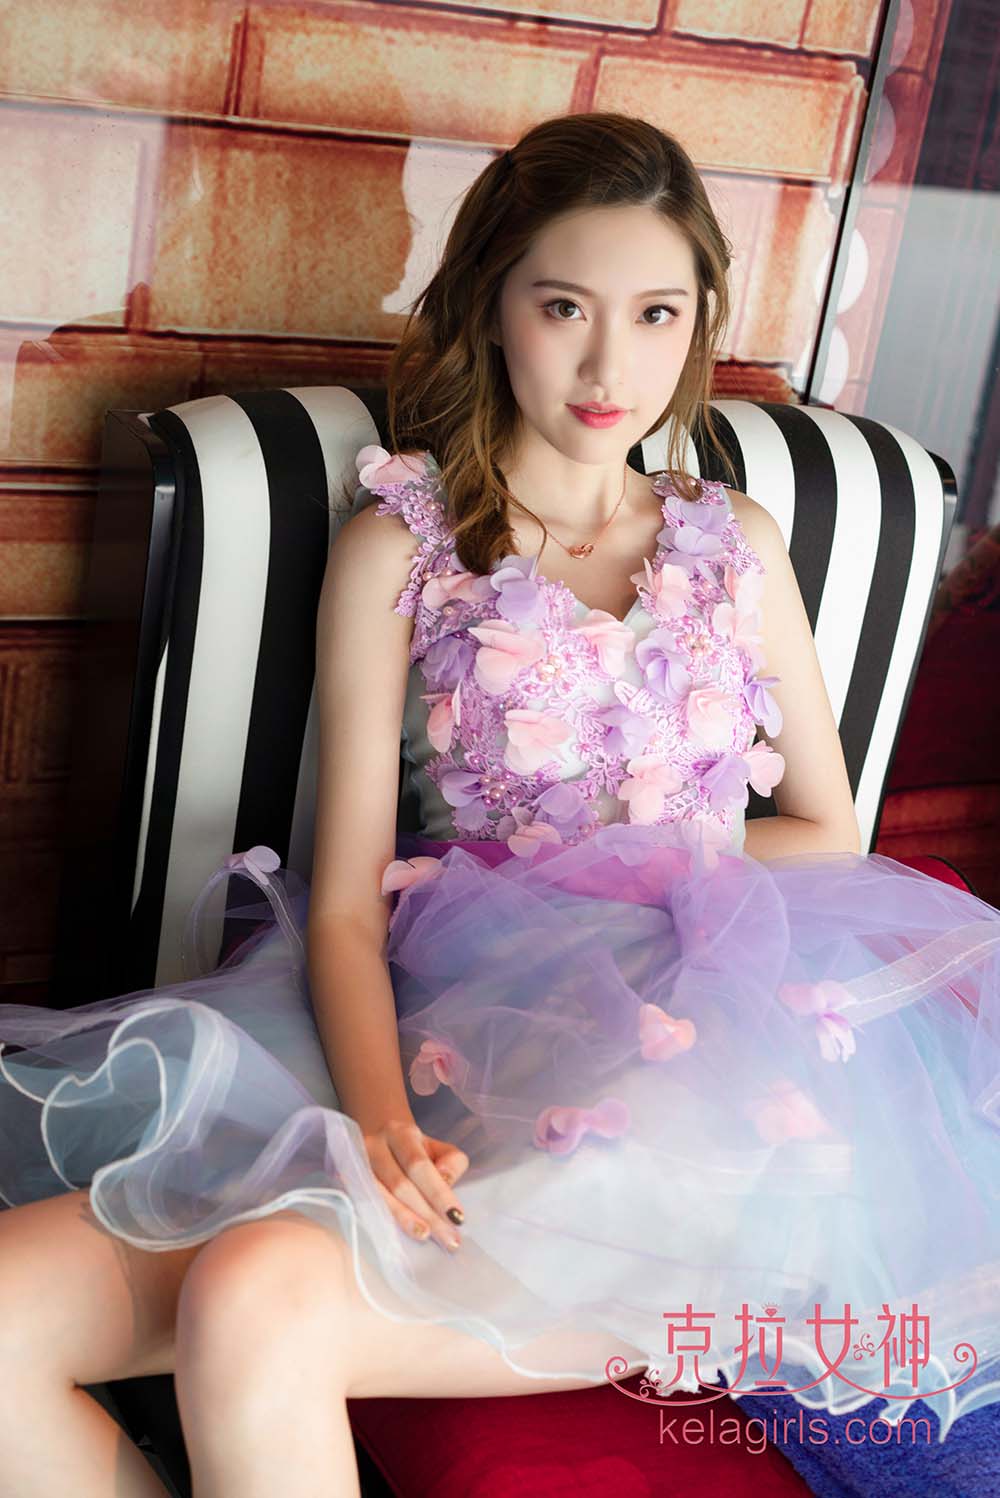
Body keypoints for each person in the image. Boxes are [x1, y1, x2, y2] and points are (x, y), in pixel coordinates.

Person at [1, 110, 999, 1498]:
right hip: (435, 1025)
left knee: (254, 1300)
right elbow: (345, 902)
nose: (609, 366)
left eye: (655, 314)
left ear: (698, 320)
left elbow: (828, 828)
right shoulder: (403, 547)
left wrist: (642, 866)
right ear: (492, 305)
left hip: (685, 1068)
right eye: (564, 307)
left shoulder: (733, 542)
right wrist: (376, 1124)